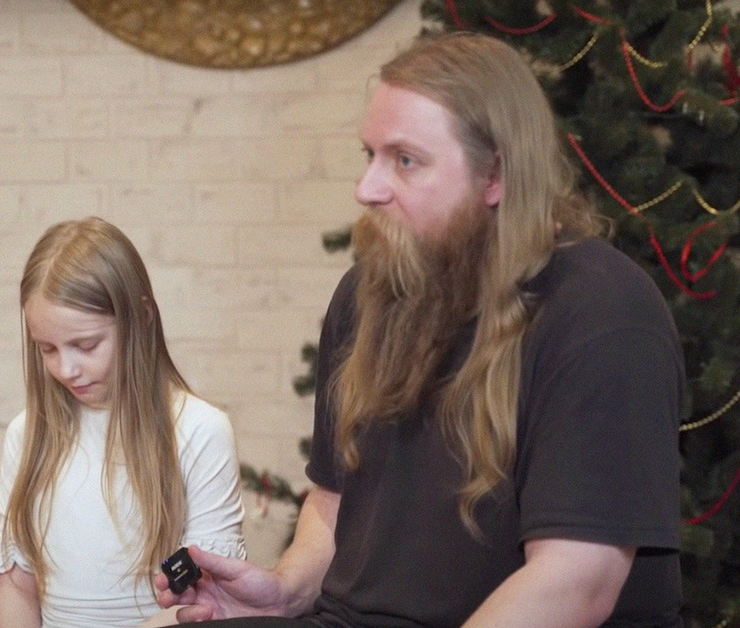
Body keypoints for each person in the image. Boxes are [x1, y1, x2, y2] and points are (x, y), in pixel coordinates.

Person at [155, 31, 684, 627]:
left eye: (405, 161)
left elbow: (575, 584)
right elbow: (336, 502)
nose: (367, 189)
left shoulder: (602, 313)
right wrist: (285, 591)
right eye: (370, 155)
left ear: (496, 176)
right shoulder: (368, 294)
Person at [0, 216, 247, 628]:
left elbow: (206, 608)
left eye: (86, 345)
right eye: (47, 349)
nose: (66, 369)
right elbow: (17, 588)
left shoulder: (200, 431)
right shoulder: (27, 436)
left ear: (141, 315)